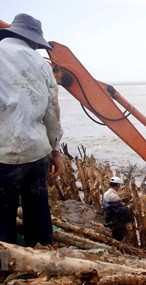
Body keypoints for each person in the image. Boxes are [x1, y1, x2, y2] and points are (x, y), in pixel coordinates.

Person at [0, 14, 63, 247]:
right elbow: (52, 112)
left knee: (2, 219)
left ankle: (5, 268)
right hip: (37, 154)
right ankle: (44, 262)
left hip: (4, 155)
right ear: (33, 40)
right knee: (38, 213)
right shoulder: (41, 65)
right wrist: (55, 151)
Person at [102, 176, 134, 241]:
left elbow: (112, 203)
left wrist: (121, 199)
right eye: (119, 185)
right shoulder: (113, 195)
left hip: (109, 214)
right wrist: (128, 207)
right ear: (117, 186)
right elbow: (118, 210)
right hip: (114, 218)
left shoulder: (106, 193)